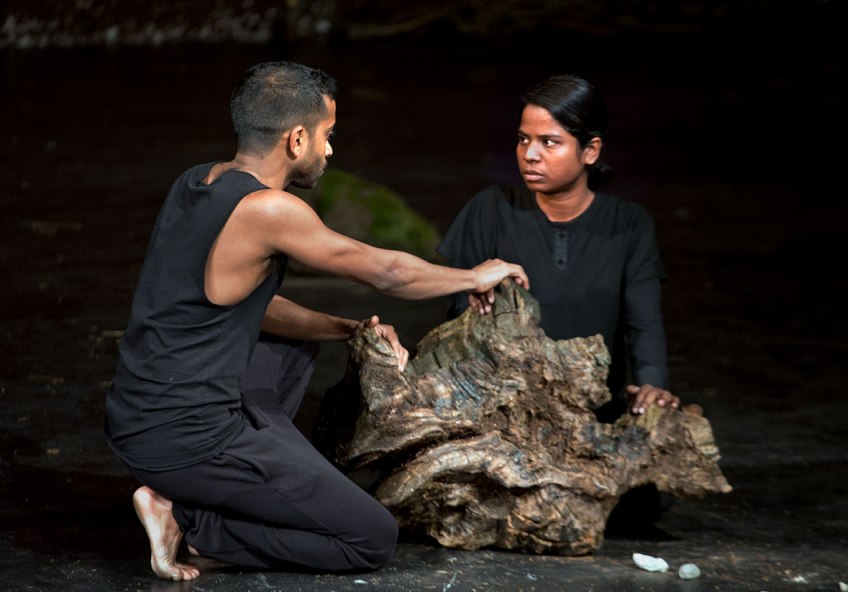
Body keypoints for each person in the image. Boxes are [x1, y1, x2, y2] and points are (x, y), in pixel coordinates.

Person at [104, 61, 529, 581]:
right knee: (370, 537)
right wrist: (474, 276)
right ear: (297, 138)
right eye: (327, 136)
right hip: (187, 438)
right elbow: (388, 272)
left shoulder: (197, 181)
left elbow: (237, 307)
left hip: (136, 416)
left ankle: (235, 483)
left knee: (292, 346)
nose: (330, 151)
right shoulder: (269, 211)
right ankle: (192, 521)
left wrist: (348, 330)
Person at [438, 73, 679, 421]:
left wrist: (652, 386)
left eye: (549, 142)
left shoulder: (628, 224)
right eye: (523, 139)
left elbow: (644, 324)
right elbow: (458, 320)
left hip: (595, 414)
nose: (529, 154)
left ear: (591, 150)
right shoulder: (490, 210)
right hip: (501, 412)